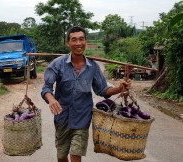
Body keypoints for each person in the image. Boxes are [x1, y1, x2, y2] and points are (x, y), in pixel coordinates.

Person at [41, 26, 131, 162]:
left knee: (76, 155)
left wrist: (119, 89)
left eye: (81, 39)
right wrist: (52, 99)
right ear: (68, 43)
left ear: (86, 41)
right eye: (74, 40)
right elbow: (46, 88)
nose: (78, 43)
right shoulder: (58, 64)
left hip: (82, 117)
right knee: (61, 156)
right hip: (62, 117)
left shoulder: (93, 67)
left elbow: (102, 90)